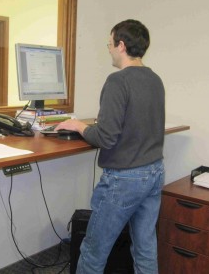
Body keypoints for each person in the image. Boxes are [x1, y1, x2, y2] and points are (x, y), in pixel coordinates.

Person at [55, 19, 165, 274]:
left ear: (121, 45)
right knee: (145, 248)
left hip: (124, 179)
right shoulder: (155, 79)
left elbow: (105, 138)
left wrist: (79, 126)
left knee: (93, 251)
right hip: (154, 172)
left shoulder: (117, 81)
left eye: (109, 44)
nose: (109, 49)